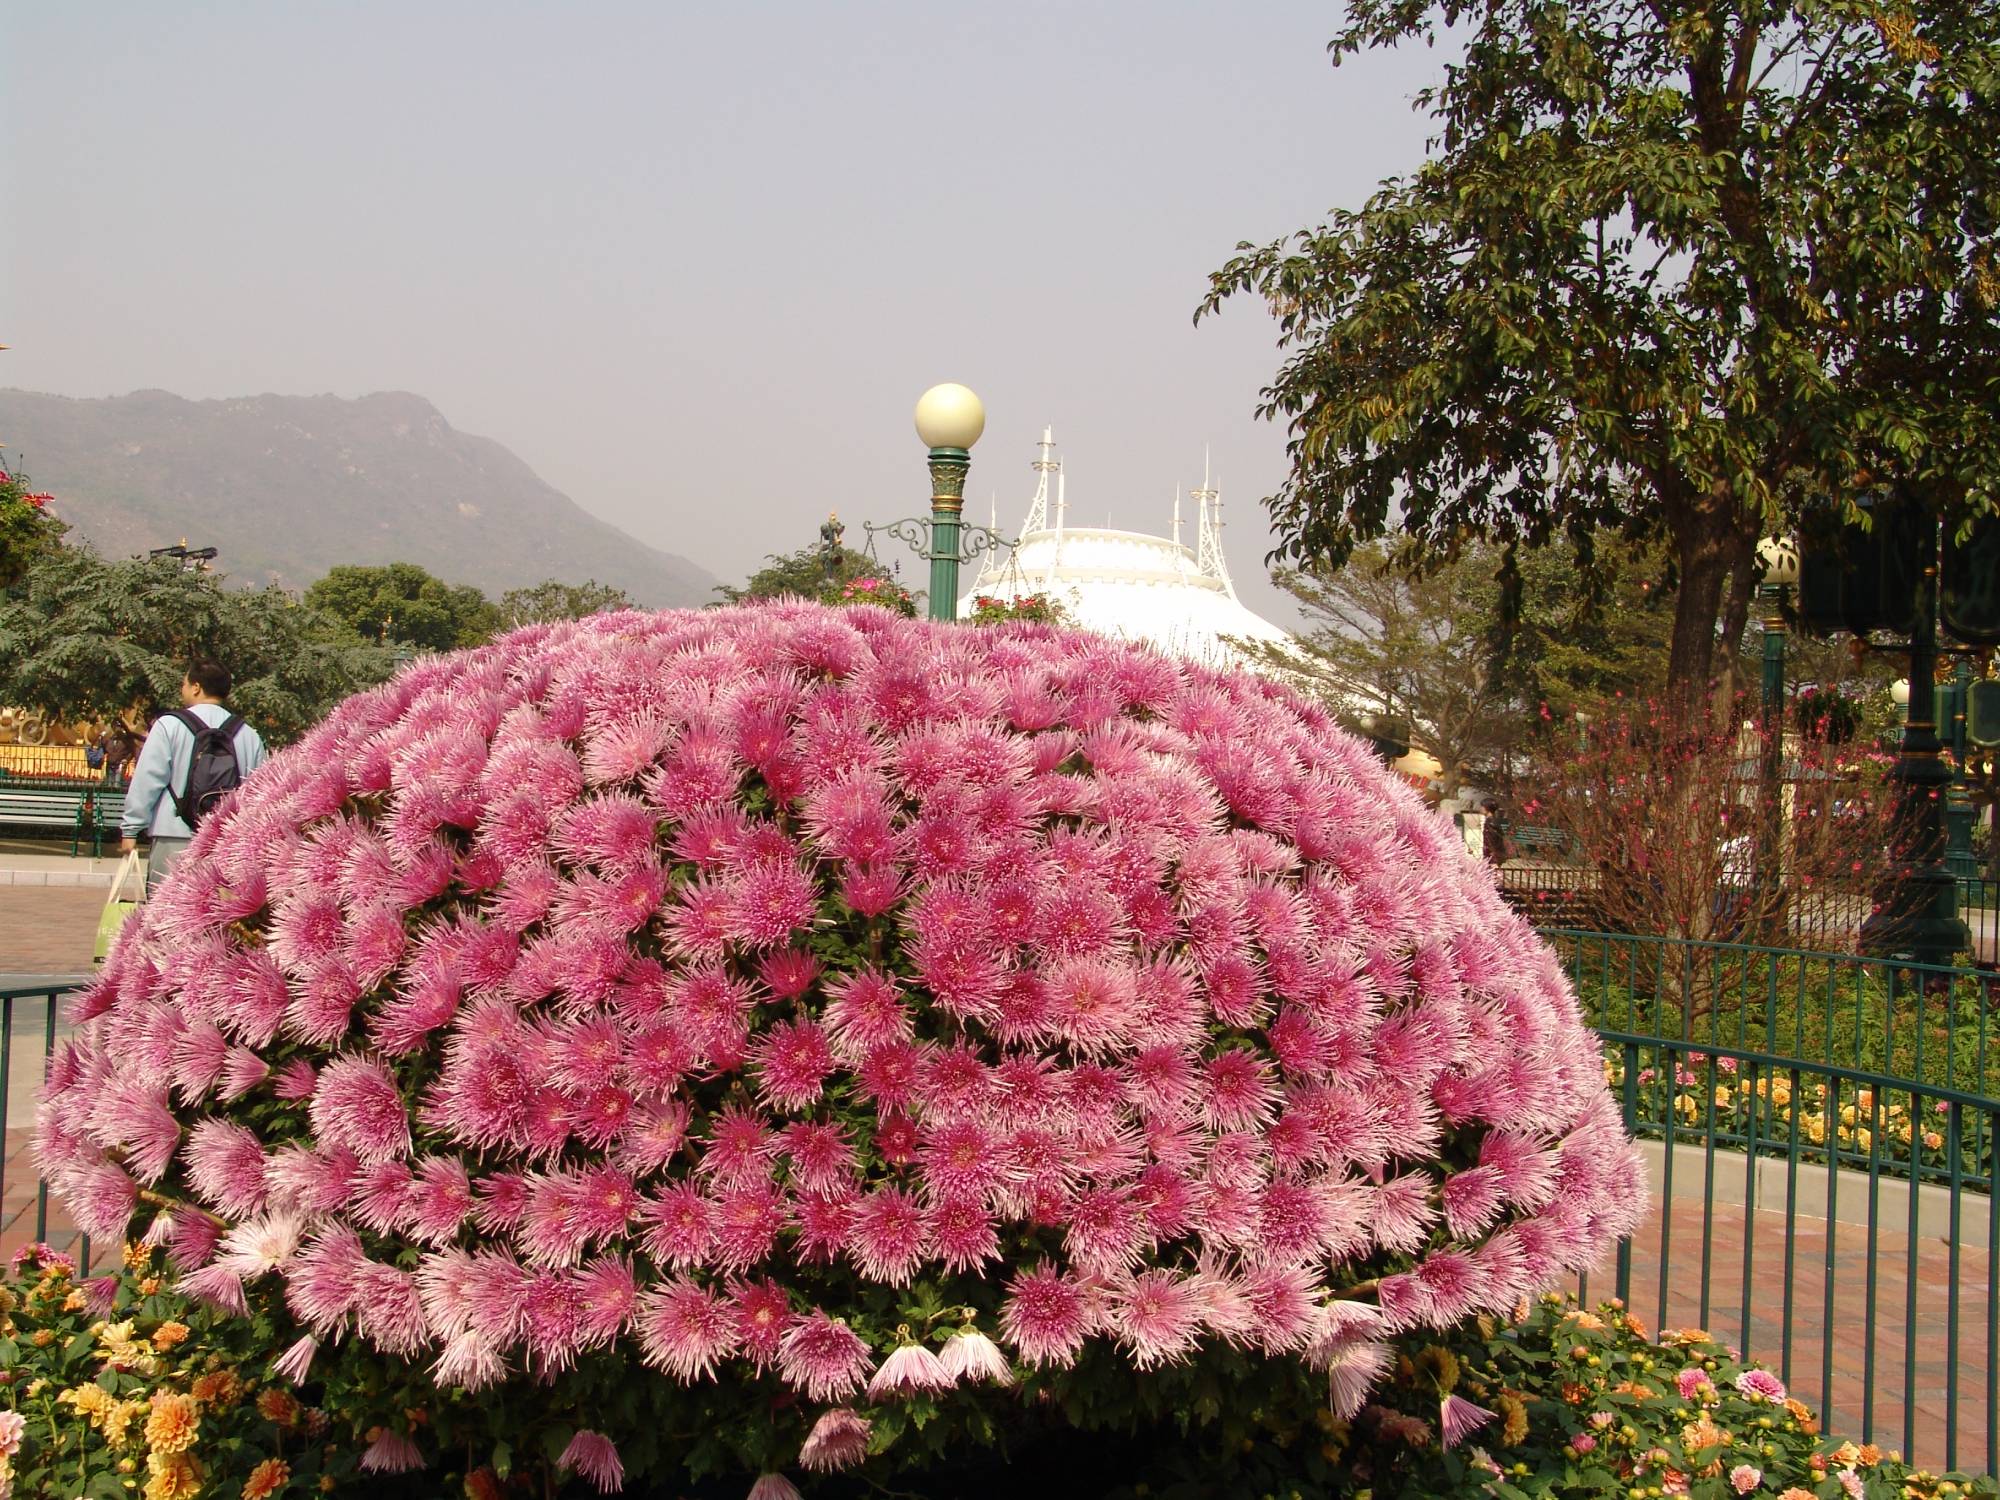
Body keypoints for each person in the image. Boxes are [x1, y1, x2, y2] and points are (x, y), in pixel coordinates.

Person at [120, 662, 267, 894]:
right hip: (224, 842)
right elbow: (259, 793)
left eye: (184, 684)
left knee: (165, 913)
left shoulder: (169, 725)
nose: (183, 689)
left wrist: (131, 828)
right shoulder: (248, 734)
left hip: (174, 834)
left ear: (196, 688)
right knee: (214, 918)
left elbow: (147, 779)